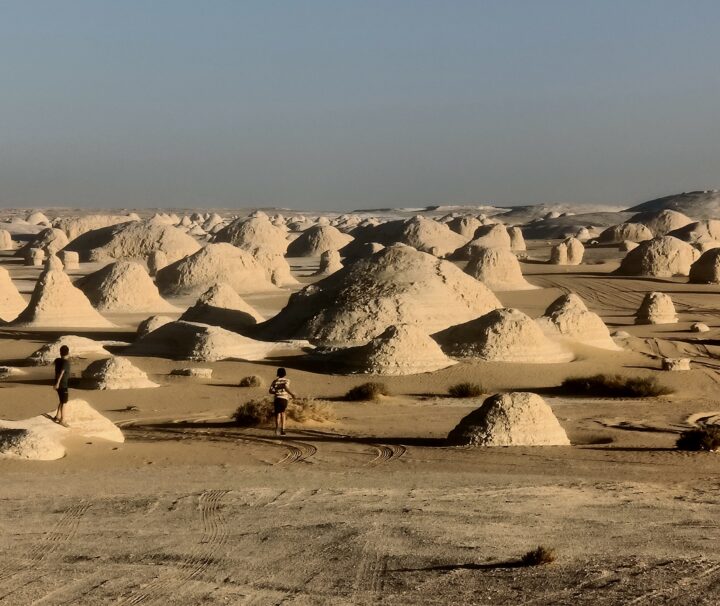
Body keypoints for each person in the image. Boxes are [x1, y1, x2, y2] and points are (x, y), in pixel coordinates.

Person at [268, 367, 296, 436]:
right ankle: (283, 430)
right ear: (284, 373)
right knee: (283, 413)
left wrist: (276, 391)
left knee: (277, 414)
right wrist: (292, 394)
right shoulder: (287, 380)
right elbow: (285, 387)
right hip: (284, 399)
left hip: (277, 399)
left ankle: (277, 429)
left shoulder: (275, 381)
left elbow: (270, 391)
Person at [52, 345, 71, 425]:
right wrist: (58, 383)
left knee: (61, 401)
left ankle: (57, 416)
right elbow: (61, 373)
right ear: (68, 352)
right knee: (64, 402)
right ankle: (62, 420)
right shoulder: (66, 362)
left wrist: (56, 383)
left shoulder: (57, 360)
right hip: (62, 385)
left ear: (60, 352)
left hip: (58, 384)